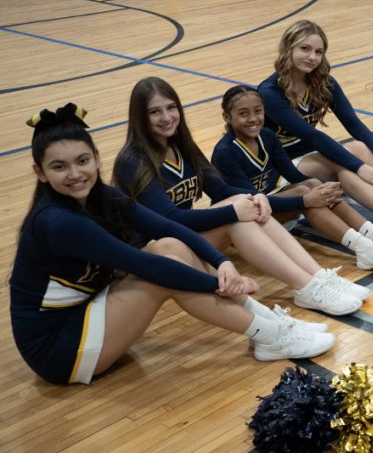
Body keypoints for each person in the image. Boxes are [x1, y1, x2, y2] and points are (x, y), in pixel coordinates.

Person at [10, 104, 334, 385]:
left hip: (87, 311)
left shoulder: (100, 196)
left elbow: (166, 225)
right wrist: (221, 284)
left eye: (82, 161)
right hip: (59, 350)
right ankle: (269, 335)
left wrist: (222, 263)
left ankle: (271, 325)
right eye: (59, 166)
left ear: (96, 158)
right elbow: (148, 268)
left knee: (168, 245)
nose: (75, 173)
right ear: (39, 172)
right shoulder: (58, 221)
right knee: (161, 272)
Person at [112, 77, 367, 317]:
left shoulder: (181, 145)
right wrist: (235, 211)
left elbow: (220, 190)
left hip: (185, 240)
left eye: (171, 108)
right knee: (236, 217)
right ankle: (306, 287)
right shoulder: (132, 161)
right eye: (155, 112)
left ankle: (317, 277)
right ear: (140, 117)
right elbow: (170, 218)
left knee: (245, 203)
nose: (166, 117)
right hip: (156, 254)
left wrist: (256, 197)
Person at [258, 20, 373, 244]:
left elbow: (354, 124)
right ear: (288, 48)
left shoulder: (323, 82)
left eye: (319, 52)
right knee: (345, 162)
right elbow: (314, 137)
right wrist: (360, 167)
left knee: (358, 149)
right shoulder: (270, 92)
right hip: (278, 170)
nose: (312, 57)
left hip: (307, 161)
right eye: (305, 49)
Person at [212, 85, 373, 272]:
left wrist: (323, 188)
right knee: (307, 194)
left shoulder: (266, 136)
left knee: (312, 185)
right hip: (247, 221)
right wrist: (303, 200)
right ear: (227, 117)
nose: (253, 118)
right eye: (243, 113)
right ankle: (364, 249)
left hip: (271, 207)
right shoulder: (225, 152)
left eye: (258, 111)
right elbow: (253, 200)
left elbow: (293, 175)